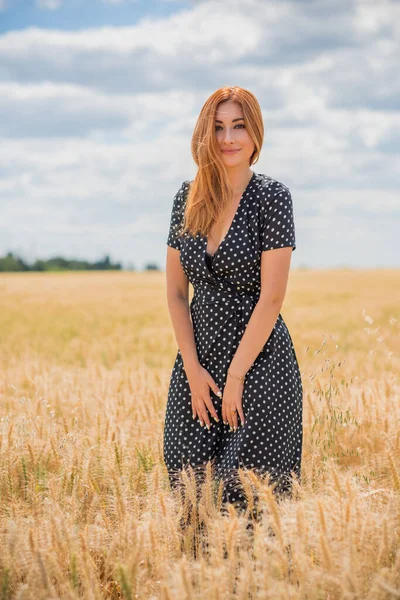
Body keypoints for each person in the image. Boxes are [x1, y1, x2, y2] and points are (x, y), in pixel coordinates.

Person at [163, 85, 303, 519]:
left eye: (238, 126)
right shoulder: (186, 200)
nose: (228, 138)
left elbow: (272, 296)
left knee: (247, 501)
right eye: (218, 127)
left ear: (255, 133)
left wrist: (238, 375)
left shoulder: (272, 199)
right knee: (191, 493)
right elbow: (175, 292)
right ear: (204, 135)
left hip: (259, 365)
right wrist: (192, 368)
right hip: (198, 365)